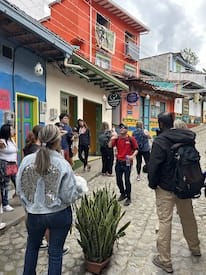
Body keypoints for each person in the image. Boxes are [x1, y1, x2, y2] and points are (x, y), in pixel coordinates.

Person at [16, 124, 88, 275]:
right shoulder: (63, 163)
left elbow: (20, 189)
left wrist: (28, 207)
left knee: (32, 248)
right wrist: (80, 190)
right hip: (59, 214)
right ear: (57, 141)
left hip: (34, 214)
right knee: (55, 254)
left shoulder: (27, 161)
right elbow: (68, 196)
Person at [148, 112, 201, 273]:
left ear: (160, 124)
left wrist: (152, 184)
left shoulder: (160, 140)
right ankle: (195, 248)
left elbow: (154, 166)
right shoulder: (186, 137)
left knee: (165, 221)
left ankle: (165, 260)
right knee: (188, 217)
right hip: (184, 185)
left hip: (165, 188)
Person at [108, 123, 138, 206]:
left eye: (123, 128)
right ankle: (122, 193)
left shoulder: (131, 139)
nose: (121, 129)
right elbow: (110, 146)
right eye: (120, 128)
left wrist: (132, 156)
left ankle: (128, 197)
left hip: (128, 162)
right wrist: (112, 139)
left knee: (127, 180)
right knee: (118, 180)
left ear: (126, 130)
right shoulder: (117, 139)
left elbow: (136, 149)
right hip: (119, 161)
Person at [0, 124, 18, 212]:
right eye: (11, 129)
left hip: (13, 164)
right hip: (5, 164)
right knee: (5, 185)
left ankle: (20, 197)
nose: (13, 130)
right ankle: (5, 204)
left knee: (17, 181)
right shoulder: (2, 141)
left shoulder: (12, 140)